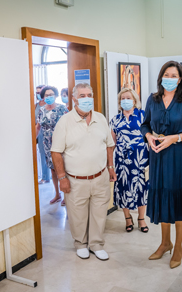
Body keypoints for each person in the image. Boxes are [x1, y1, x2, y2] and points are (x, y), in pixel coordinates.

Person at [140, 61, 182, 269]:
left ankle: (178, 246)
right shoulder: (153, 99)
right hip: (157, 155)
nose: (169, 78)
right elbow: (145, 124)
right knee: (162, 195)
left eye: (173, 75)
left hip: (177, 156)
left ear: (179, 79)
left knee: (177, 197)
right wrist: (149, 136)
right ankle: (165, 242)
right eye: (165, 74)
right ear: (161, 77)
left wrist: (175, 138)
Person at [51, 83, 116, 260]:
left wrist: (110, 167)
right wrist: (62, 177)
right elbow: (56, 152)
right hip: (75, 179)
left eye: (89, 94)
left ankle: (96, 244)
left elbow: (110, 145)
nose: (87, 98)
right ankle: (80, 243)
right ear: (74, 99)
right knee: (77, 214)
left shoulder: (101, 118)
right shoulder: (64, 122)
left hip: (100, 176)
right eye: (82, 95)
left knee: (99, 212)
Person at [110, 88, 149, 233]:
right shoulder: (115, 119)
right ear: (120, 101)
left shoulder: (144, 116)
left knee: (141, 189)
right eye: (123, 98)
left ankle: (141, 218)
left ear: (135, 100)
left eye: (129, 98)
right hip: (121, 161)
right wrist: (110, 165)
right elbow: (111, 143)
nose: (126, 100)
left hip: (140, 160)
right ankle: (127, 218)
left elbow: (151, 137)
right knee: (123, 188)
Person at [36, 86, 68, 205]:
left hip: (61, 143)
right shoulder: (42, 110)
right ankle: (57, 194)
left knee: (63, 169)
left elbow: (69, 125)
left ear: (55, 95)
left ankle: (66, 195)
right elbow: (38, 126)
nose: (49, 97)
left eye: (51, 94)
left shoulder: (62, 108)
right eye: (47, 95)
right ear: (43, 97)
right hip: (47, 143)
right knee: (53, 170)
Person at [35, 84, 51, 184]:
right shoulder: (36, 105)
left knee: (53, 155)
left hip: (50, 132)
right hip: (39, 133)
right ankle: (45, 177)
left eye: (39, 92)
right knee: (42, 155)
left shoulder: (50, 105)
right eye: (36, 93)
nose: (38, 94)